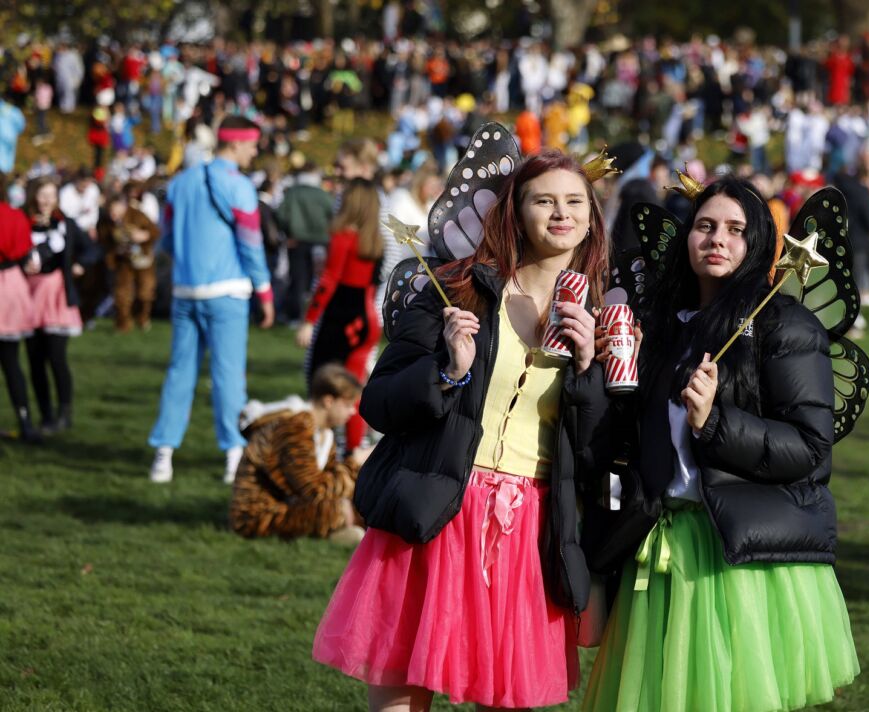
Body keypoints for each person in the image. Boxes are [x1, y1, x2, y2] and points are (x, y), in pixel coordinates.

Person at [312, 150, 611, 711]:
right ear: (516, 212)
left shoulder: (605, 317)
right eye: (543, 200)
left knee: (505, 699)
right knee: (402, 691)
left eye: (574, 202)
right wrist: (448, 370)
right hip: (439, 505)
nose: (560, 214)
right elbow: (378, 400)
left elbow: (599, 445)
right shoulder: (456, 290)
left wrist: (591, 367)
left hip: (528, 529)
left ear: (592, 217)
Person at [583, 176, 859, 711]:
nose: (717, 239)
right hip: (663, 546)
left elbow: (810, 449)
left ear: (756, 242)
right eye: (706, 226)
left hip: (738, 556)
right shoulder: (663, 326)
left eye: (735, 230)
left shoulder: (784, 324)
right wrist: (620, 374)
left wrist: (715, 422)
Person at [147, 116, 274, 484]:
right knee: (227, 375)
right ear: (235, 144)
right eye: (252, 145)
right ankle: (233, 456)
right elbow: (251, 245)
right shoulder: (239, 186)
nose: (255, 152)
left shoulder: (180, 183)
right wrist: (264, 292)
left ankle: (163, 454)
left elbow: (167, 239)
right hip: (228, 293)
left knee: (179, 372)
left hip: (185, 290)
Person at [228, 363, 369, 544]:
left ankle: (344, 532)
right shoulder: (294, 427)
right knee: (334, 510)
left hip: (290, 503)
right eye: (348, 404)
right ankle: (341, 532)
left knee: (364, 505)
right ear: (328, 401)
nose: (352, 412)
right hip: (259, 514)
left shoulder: (324, 434)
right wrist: (353, 464)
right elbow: (311, 489)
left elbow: (330, 482)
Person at [296, 179, 383, 452]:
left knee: (321, 385)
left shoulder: (343, 237)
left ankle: (319, 448)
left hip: (341, 320)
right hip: (367, 320)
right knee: (354, 391)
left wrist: (309, 321)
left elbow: (329, 279)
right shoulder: (376, 241)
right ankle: (352, 453)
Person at [22, 177, 100, 436]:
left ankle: (64, 413)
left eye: (51, 195)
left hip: (56, 295)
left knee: (56, 357)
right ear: (33, 196)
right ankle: (45, 414)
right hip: (28, 294)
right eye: (42, 195)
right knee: (35, 359)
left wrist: (79, 264)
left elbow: (92, 250)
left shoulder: (65, 223)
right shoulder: (23, 222)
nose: (46, 201)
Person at [0, 179, 40, 442]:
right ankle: (25, 420)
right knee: (12, 361)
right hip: (10, 285)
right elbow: (25, 252)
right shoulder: (15, 217)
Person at [276, 158, 334, 324]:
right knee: (318, 279)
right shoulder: (323, 195)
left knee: (298, 279)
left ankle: (295, 316)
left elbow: (281, 215)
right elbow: (334, 214)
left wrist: (288, 232)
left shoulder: (292, 193)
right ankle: (315, 315)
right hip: (321, 241)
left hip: (297, 241)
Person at [96, 189, 159, 332]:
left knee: (145, 293)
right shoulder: (105, 221)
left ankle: (143, 318)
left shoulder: (137, 215)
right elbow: (103, 240)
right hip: (122, 262)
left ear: (123, 206)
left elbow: (155, 231)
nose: (114, 215)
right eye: (111, 211)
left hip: (143, 261)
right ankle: (123, 324)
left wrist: (144, 235)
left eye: (116, 211)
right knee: (122, 295)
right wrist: (113, 251)